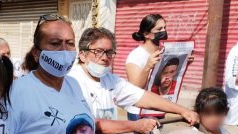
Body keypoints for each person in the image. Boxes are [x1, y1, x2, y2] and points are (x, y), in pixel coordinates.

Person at [69, 27, 197, 127]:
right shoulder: (70, 81)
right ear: (82, 55)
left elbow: (143, 97)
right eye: (98, 51)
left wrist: (182, 110)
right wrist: (134, 126)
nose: (104, 57)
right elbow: (92, 125)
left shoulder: (111, 80)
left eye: (109, 52)